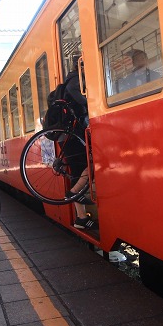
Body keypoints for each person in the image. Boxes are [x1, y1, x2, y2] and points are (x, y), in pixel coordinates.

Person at [62, 55, 95, 229]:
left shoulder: (70, 80)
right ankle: (76, 196)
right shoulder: (75, 81)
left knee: (81, 168)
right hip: (72, 136)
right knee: (89, 164)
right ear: (80, 65)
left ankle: (81, 216)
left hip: (70, 136)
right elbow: (85, 102)